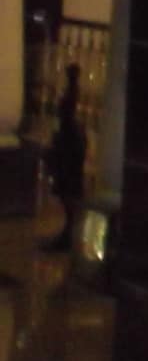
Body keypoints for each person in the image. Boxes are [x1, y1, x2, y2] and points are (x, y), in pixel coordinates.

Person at [43, 64, 84, 255]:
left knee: (68, 199)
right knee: (68, 200)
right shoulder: (72, 129)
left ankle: (68, 235)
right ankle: (68, 234)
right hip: (67, 164)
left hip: (67, 166)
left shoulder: (70, 128)